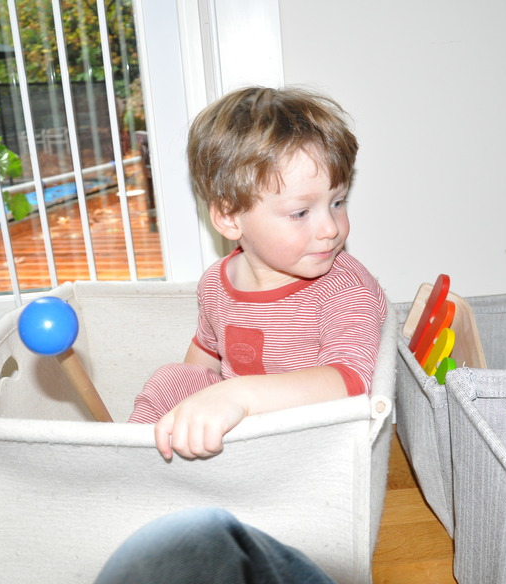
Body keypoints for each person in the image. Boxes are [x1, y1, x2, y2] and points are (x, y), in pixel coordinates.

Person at [127, 87, 388, 461]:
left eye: (337, 202)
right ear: (229, 218)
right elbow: (205, 353)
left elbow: (353, 382)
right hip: (237, 442)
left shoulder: (345, 288)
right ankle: (131, 462)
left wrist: (238, 395)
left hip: (312, 449)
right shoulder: (216, 282)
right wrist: (197, 408)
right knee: (172, 378)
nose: (330, 228)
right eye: (301, 213)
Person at [93, 507, 334, 584]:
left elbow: (358, 394)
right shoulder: (161, 399)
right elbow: (133, 451)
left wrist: (244, 404)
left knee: (193, 532)